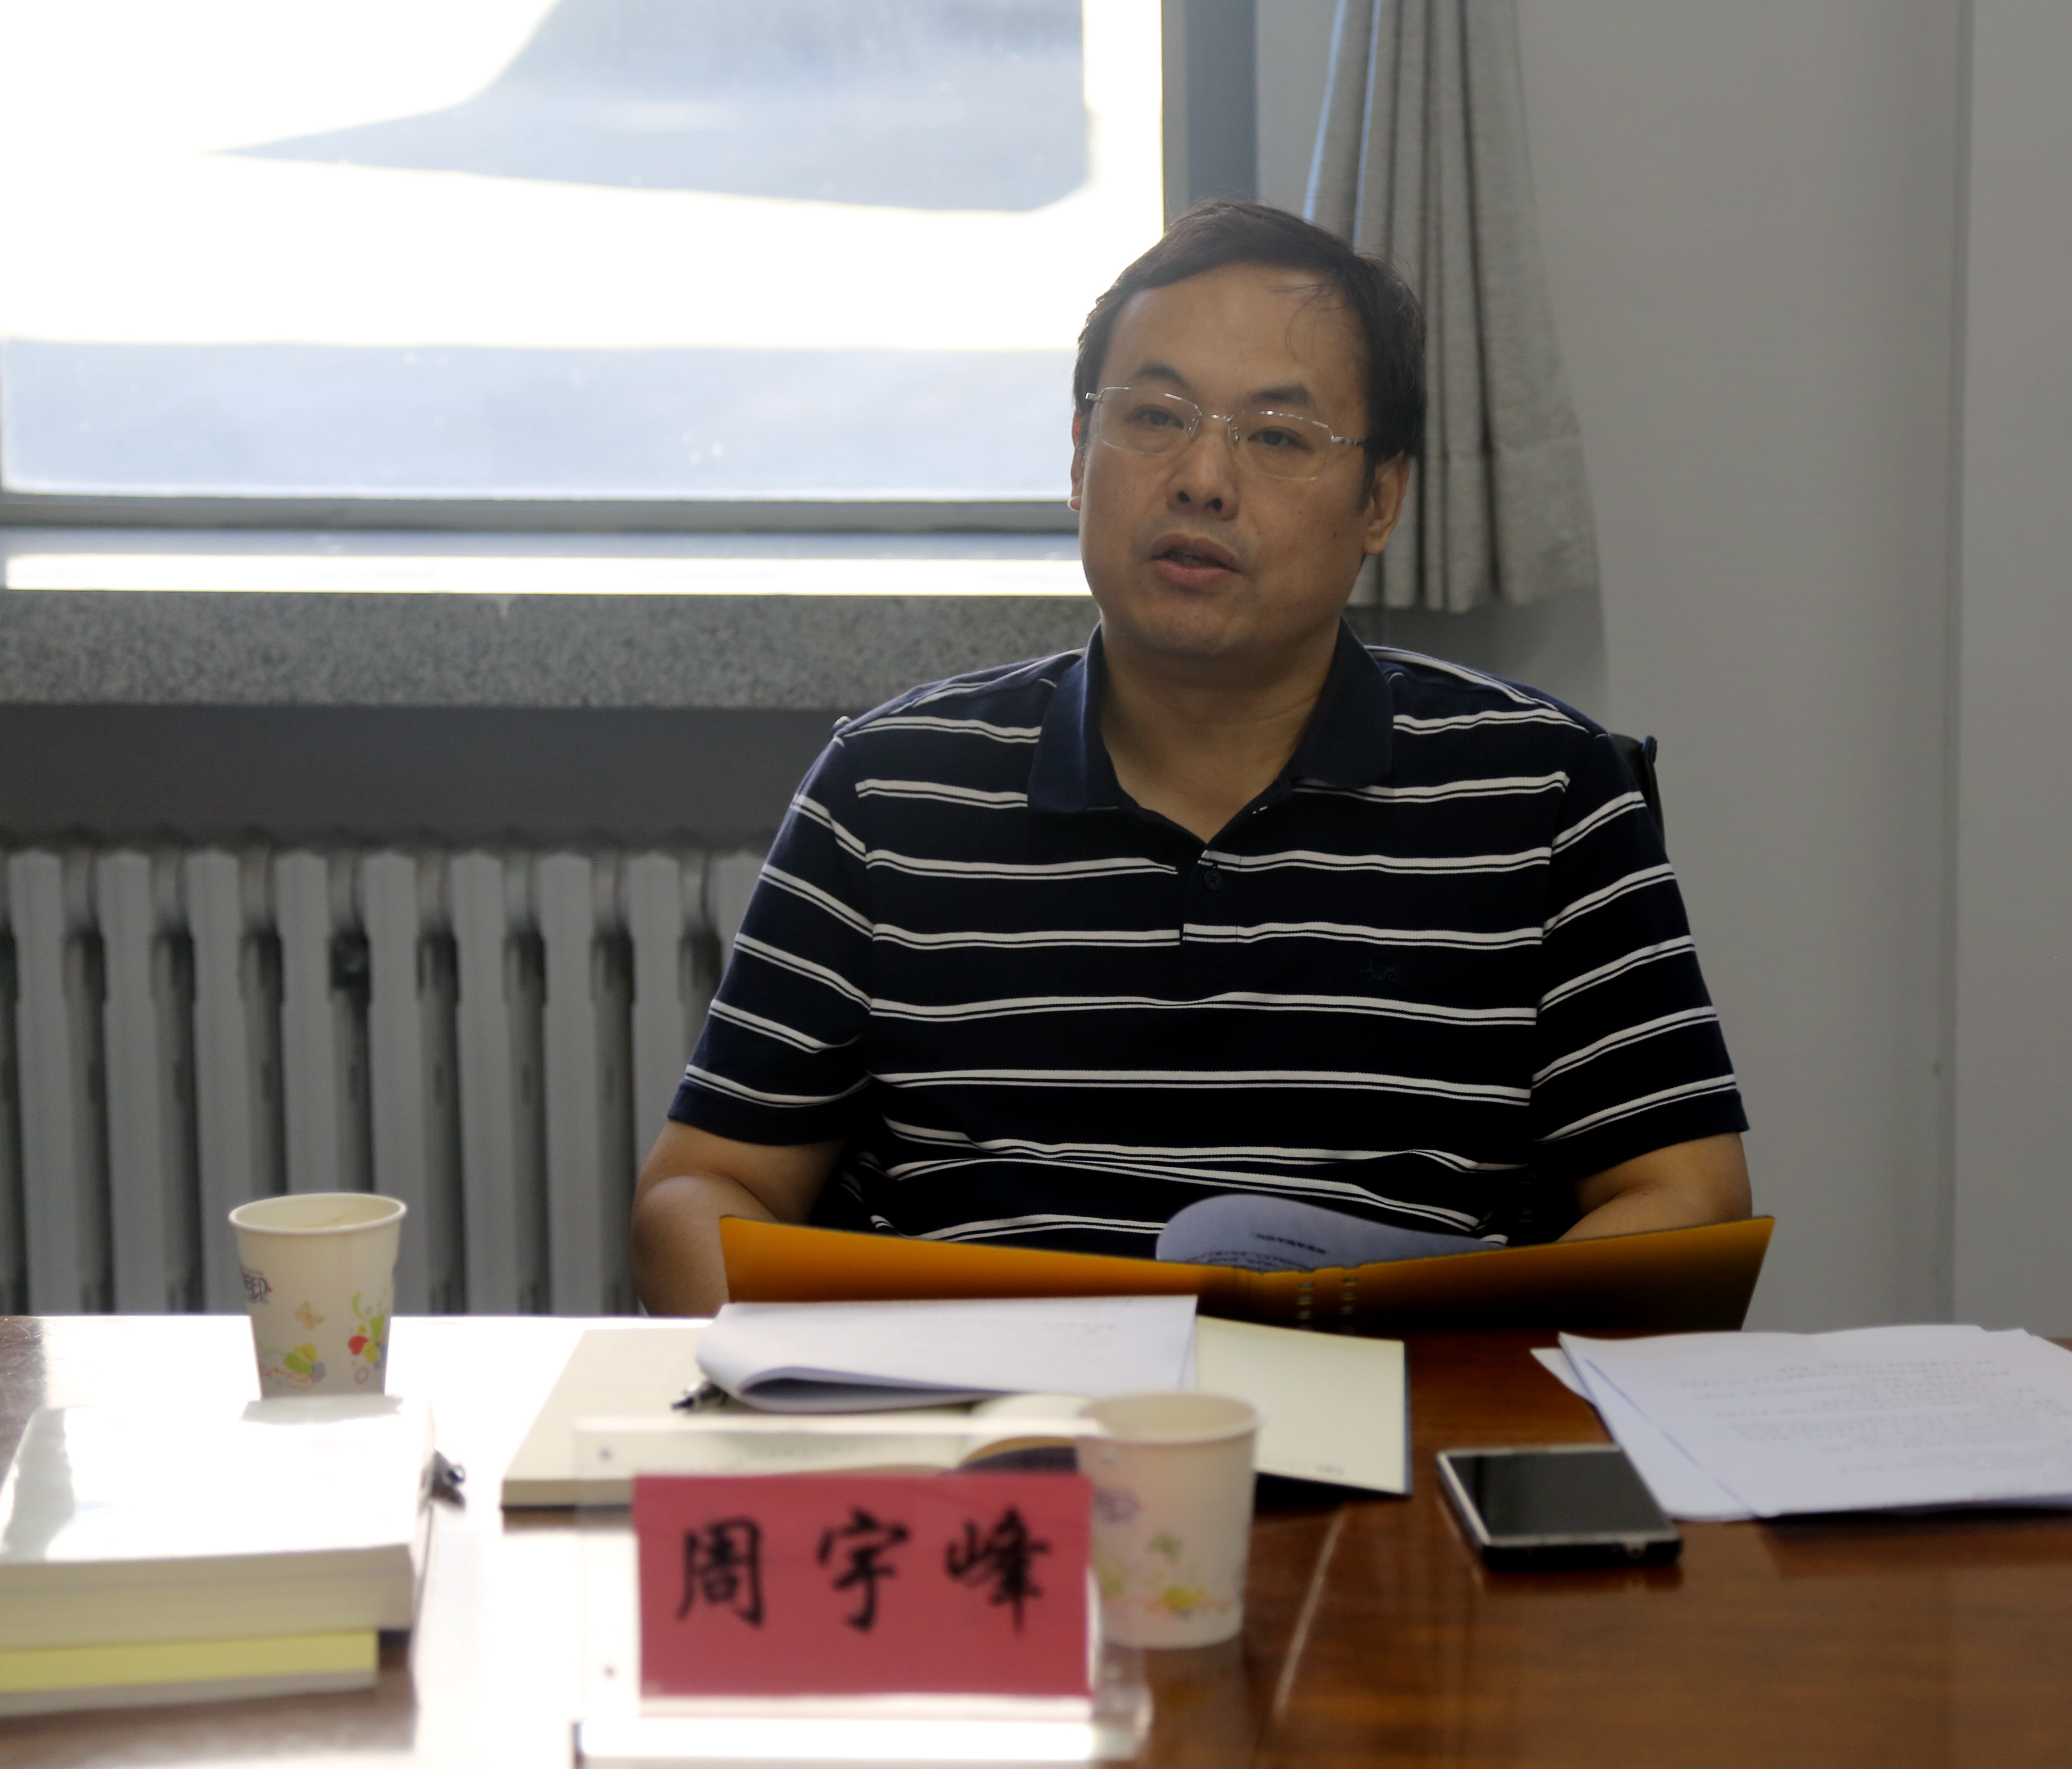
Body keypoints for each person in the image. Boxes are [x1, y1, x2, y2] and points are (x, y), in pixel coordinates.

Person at [632, 201, 1750, 1316]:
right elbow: (699, 1190)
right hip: (989, 1414)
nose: (1203, 478)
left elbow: (1686, 1200)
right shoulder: (888, 791)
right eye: (1156, 417)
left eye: (1277, 436)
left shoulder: (1544, 794)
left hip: (1382, 1409)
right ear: (1080, 459)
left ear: (1381, 501)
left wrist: (1458, 1364)